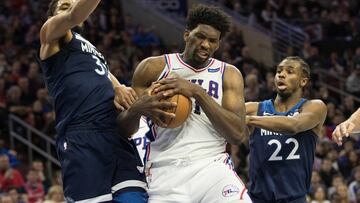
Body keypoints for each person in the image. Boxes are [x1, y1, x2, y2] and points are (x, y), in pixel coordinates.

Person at [38, 0, 172, 202]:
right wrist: (73, 11)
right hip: (82, 136)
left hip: (115, 135)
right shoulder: (50, 34)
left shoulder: (90, 49)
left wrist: (118, 87)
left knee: (134, 198)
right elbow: (74, 15)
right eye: (64, 5)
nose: (72, 7)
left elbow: (105, 74)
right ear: (53, 15)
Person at [118, 4, 252, 202]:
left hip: (212, 166)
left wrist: (197, 93)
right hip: (165, 170)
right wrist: (137, 109)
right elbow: (124, 130)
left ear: (218, 44)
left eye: (212, 41)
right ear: (187, 35)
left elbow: (237, 134)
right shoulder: (154, 68)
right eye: (200, 37)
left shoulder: (228, 74)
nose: (205, 45)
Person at [245, 56, 327, 202]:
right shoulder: (254, 108)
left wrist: (249, 120)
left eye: (290, 71)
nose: (281, 75)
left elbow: (293, 125)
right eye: (279, 71)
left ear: (303, 81)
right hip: (258, 198)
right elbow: (222, 114)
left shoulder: (315, 107)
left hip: (294, 199)